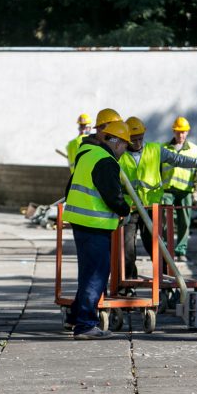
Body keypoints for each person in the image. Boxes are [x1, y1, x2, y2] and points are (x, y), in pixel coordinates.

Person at [119, 116, 197, 278]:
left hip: (151, 208)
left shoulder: (155, 150)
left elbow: (178, 159)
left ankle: (165, 280)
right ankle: (128, 283)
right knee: (127, 249)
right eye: (133, 139)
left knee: (157, 246)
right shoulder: (119, 154)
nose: (137, 143)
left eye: (140, 139)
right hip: (130, 208)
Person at [62, 120, 133, 340]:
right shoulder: (105, 161)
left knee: (87, 273)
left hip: (80, 222)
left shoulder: (87, 154)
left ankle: (75, 316)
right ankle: (85, 325)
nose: (124, 151)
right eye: (125, 146)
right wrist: (125, 209)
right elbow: (113, 197)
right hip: (95, 224)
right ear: (118, 142)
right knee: (97, 275)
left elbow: (69, 187)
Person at [160, 116, 197, 261]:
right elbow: (158, 170)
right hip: (167, 190)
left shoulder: (193, 149)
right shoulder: (164, 148)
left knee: (185, 221)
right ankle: (167, 249)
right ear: (173, 131)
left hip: (185, 191)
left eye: (184, 132)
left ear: (187, 132)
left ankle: (181, 250)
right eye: (178, 132)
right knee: (166, 221)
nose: (181, 135)